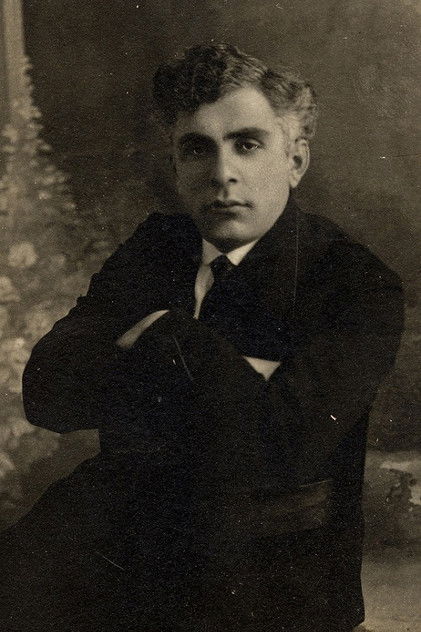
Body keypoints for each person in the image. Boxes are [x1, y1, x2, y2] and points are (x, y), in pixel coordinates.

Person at [0, 44, 403, 631]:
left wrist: (162, 336)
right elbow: (47, 393)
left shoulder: (352, 280)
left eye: (247, 144)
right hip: (123, 543)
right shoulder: (156, 247)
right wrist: (243, 379)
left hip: (269, 572)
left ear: (295, 159)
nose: (221, 174)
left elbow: (282, 450)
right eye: (196, 148)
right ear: (176, 163)